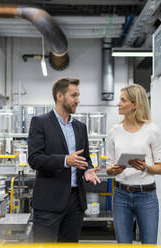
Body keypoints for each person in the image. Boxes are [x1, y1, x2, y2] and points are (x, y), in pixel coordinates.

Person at [28, 77, 101, 243]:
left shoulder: (80, 127)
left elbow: (85, 158)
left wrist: (88, 169)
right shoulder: (40, 122)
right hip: (49, 202)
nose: (78, 100)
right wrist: (65, 160)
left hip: (75, 202)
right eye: (73, 95)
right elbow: (34, 159)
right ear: (59, 96)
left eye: (78, 95)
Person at [106, 83, 161, 244]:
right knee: (123, 244)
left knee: (149, 244)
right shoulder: (114, 131)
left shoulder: (152, 130)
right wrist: (114, 170)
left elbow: (160, 168)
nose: (119, 103)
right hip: (121, 195)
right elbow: (109, 168)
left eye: (123, 100)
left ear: (135, 105)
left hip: (147, 195)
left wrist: (146, 167)